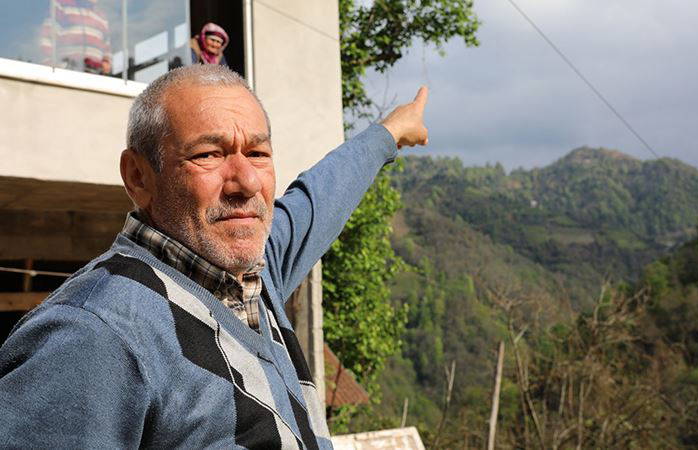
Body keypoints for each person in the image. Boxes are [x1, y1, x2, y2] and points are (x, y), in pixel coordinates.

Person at [0, 65, 427, 448]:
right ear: (138, 176)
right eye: (207, 154)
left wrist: (389, 133)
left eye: (257, 153)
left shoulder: (254, 276)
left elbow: (321, 197)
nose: (247, 182)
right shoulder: (94, 334)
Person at [40, 0, 112, 74]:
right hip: (66, 72)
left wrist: (106, 62)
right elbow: (47, 38)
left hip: (94, 75)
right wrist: (52, 69)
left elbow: (106, 47)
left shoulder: (102, 17)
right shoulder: (62, 5)